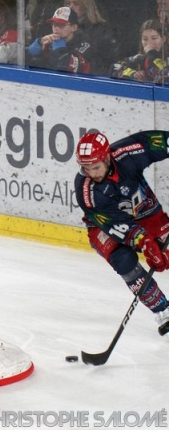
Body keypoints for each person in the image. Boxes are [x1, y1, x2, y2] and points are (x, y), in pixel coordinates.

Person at [74, 131, 169, 337]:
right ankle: (163, 310)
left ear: (107, 157)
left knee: (165, 257)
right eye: (85, 168)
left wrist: (152, 241)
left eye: (96, 167)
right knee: (123, 259)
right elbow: (116, 224)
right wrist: (144, 241)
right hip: (103, 228)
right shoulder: (86, 190)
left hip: (145, 212)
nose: (92, 173)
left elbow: (162, 142)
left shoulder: (128, 153)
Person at [26, 6, 98, 74]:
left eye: (61, 25)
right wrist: (38, 45)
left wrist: (59, 49)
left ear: (74, 28)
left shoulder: (84, 45)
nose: (56, 28)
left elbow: (68, 68)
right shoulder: (49, 42)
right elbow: (25, 63)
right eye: (54, 24)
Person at [64, 0, 118, 75]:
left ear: (86, 6)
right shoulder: (61, 27)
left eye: (76, 3)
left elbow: (107, 62)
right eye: (68, 3)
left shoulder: (102, 30)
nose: (70, 7)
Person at [110, 19, 168, 84]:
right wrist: (133, 74)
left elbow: (164, 75)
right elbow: (114, 68)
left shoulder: (167, 60)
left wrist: (151, 53)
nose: (149, 43)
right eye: (145, 39)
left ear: (163, 39)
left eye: (154, 38)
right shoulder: (139, 58)